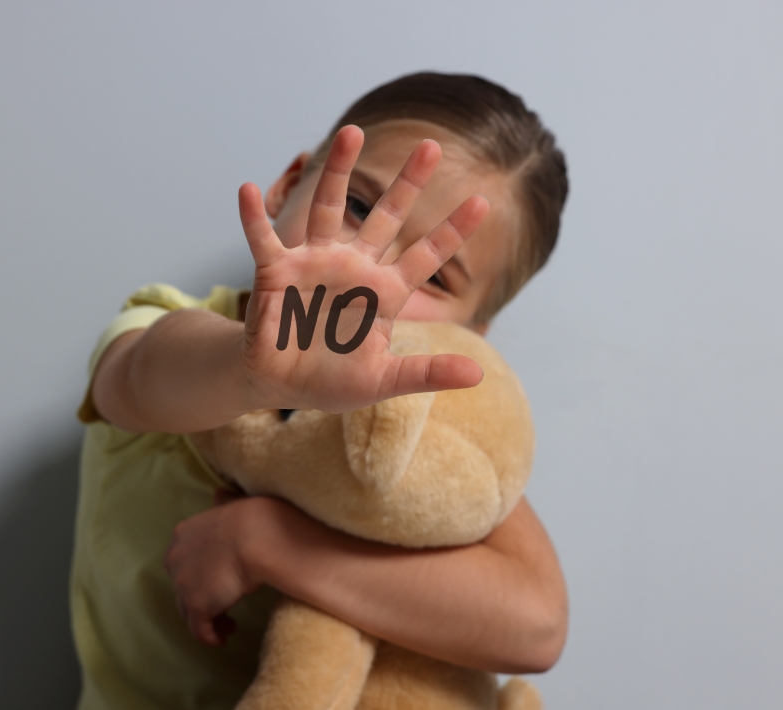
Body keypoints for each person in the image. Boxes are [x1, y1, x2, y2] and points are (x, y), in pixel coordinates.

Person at [71, 72, 570, 710]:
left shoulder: (420, 427)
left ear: (472, 332)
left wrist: (267, 543)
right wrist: (250, 371)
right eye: (359, 208)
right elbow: (135, 379)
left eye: (434, 273)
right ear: (288, 184)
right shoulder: (165, 329)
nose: (368, 267)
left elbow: (537, 625)